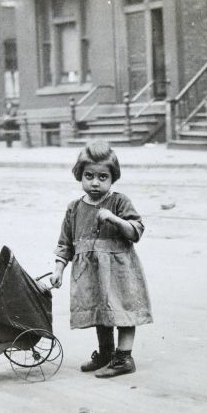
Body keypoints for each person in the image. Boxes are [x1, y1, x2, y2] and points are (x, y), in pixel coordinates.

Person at [50, 141, 153, 378]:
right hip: (91, 273)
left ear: (112, 178)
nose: (95, 182)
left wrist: (115, 220)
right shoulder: (74, 208)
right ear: (80, 176)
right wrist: (58, 270)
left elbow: (136, 231)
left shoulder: (119, 202)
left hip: (119, 271)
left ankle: (124, 358)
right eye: (89, 176)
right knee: (100, 313)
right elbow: (65, 243)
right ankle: (106, 353)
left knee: (124, 312)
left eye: (102, 177)